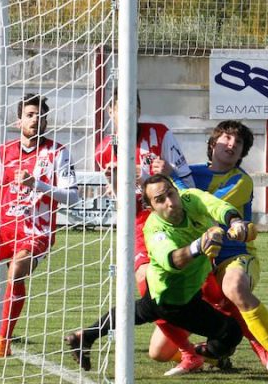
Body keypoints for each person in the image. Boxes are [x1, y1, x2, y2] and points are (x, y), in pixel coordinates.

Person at [65, 90, 203, 376]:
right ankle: (193, 353)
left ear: (139, 109)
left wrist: (169, 172)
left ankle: (214, 346)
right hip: (139, 224)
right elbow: (120, 200)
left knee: (200, 292)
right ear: (111, 112)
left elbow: (188, 182)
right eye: (120, 108)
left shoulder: (161, 134)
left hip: (171, 221)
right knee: (148, 288)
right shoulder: (105, 149)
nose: (127, 113)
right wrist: (116, 182)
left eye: (133, 106)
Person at [148, 120, 268, 379]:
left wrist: (173, 177)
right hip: (198, 264)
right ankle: (211, 354)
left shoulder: (240, 181)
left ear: (242, 153)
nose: (231, 144)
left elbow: (204, 204)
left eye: (238, 142)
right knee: (159, 352)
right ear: (212, 144)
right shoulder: (188, 172)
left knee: (233, 288)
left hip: (235, 257)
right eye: (226, 138)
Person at [67, 175, 247, 372]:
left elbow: (217, 206)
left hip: (170, 289)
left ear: (177, 192)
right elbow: (172, 260)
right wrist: (198, 246)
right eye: (160, 200)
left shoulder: (190, 199)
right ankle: (203, 354)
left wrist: (235, 221)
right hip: (175, 300)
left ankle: (85, 336)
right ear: (151, 207)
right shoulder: (154, 229)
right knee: (232, 332)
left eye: (170, 194)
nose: (170, 203)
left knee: (134, 312)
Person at [0, 94, 80, 358]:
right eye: (30, 115)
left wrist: (37, 185)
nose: (36, 119)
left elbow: (74, 196)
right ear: (19, 120)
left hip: (35, 230)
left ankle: (3, 341)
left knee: (16, 270)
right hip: (0, 228)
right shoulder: (3, 151)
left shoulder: (58, 153)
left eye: (41, 115)